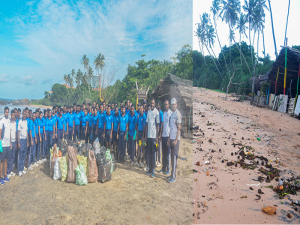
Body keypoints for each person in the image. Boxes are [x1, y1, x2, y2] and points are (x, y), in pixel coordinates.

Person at [167, 98, 181, 183]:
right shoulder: (172, 114)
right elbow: (170, 129)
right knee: (171, 157)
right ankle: (172, 173)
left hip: (175, 139)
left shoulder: (178, 114)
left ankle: (174, 176)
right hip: (171, 138)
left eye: (174, 104)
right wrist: (169, 139)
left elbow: (179, 128)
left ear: (176, 104)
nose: (173, 106)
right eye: (172, 104)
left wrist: (176, 140)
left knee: (174, 157)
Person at [145, 99, 160, 178]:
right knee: (149, 153)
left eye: (153, 103)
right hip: (149, 136)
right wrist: (145, 135)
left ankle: (153, 171)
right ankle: (149, 169)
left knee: (154, 154)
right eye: (151, 103)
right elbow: (147, 124)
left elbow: (158, 125)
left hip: (154, 137)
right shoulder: (148, 112)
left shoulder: (156, 112)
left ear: (155, 104)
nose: (152, 104)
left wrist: (157, 136)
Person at [159, 99, 172, 175]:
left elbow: (171, 127)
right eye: (165, 105)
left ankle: (168, 168)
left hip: (168, 136)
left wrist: (169, 138)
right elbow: (163, 125)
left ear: (169, 105)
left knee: (168, 153)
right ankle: (163, 168)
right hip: (163, 136)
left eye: (167, 104)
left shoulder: (170, 113)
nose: (166, 106)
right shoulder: (164, 113)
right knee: (163, 153)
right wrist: (160, 135)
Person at [0, 107, 11, 184]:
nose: (7, 113)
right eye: (6, 112)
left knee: (6, 161)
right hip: (3, 145)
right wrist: (0, 144)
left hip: (8, 144)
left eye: (8, 112)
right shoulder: (2, 121)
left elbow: (9, 133)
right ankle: (1, 178)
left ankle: (5, 175)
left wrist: (10, 143)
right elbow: (0, 133)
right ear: (4, 112)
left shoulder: (9, 121)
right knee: (1, 161)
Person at [17, 109, 28, 177]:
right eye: (24, 114)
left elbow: (26, 131)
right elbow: (18, 132)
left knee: (24, 154)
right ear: (22, 114)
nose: (24, 115)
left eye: (25, 114)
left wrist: (28, 141)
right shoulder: (20, 122)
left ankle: (22, 168)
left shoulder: (26, 121)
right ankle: (19, 170)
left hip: (25, 140)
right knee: (20, 155)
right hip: (21, 140)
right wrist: (18, 142)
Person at [7, 110, 16, 178]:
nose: (13, 116)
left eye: (14, 115)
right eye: (12, 115)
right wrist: (10, 142)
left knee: (13, 157)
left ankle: (11, 170)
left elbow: (15, 133)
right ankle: (8, 172)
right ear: (11, 115)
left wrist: (15, 142)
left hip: (14, 141)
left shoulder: (15, 122)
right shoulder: (9, 122)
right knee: (9, 157)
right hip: (10, 142)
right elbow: (9, 133)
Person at [156, 101, 163, 167]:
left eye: (158, 105)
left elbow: (162, 123)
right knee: (156, 145)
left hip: (159, 130)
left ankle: (159, 161)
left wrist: (160, 134)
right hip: (156, 130)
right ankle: (156, 160)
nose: (157, 106)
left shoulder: (161, 113)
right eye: (157, 105)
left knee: (159, 147)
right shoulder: (157, 113)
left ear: (160, 106)